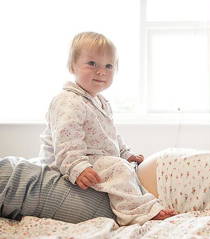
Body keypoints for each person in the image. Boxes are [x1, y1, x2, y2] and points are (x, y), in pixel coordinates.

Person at [38, 32, 170, 225]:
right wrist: (76, 166)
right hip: (66, 162)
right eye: (92, 64)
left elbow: (111, 135)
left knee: (129, 168)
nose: (101, 71)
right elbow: (66, 141)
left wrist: (125, 153)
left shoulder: (100, 101)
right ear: (72, 66)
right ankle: (136, 214)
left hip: (94, 157)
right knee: (119, 169)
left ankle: (148, 204)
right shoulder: (68, 101)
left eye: (109, 66)